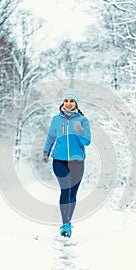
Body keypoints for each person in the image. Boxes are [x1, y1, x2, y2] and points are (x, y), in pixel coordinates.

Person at [43, 91, 91, 238]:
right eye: (66, 101)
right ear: (63, 103)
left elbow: (87, 142)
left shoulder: (83, 120)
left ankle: (68, 222)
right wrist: (46, 151)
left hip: (77, 162)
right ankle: (65, 225)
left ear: (76, 104)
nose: (68, 103)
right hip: (59, 160)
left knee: (72, 194)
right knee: (66, 189)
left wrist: (79, 130)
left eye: (71, 101)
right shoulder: (56, 120)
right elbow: (51, 136)